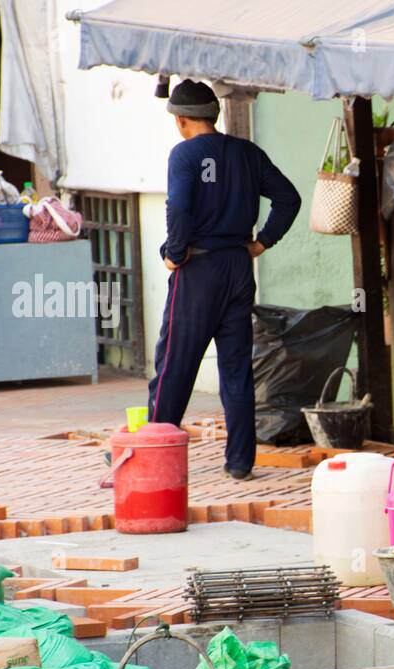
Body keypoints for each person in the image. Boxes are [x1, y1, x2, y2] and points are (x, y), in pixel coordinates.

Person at [147, 80, 301, 480]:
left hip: (198, 269)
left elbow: (179, 209)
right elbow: (289, 198)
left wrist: (174, 252)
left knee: (175, 363)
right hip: (238, 267)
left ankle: (153, 450)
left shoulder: (184, 154)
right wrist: (262, 242)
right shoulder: (248, 153)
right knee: (235, 368)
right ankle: (239, 462)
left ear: (181, 120)